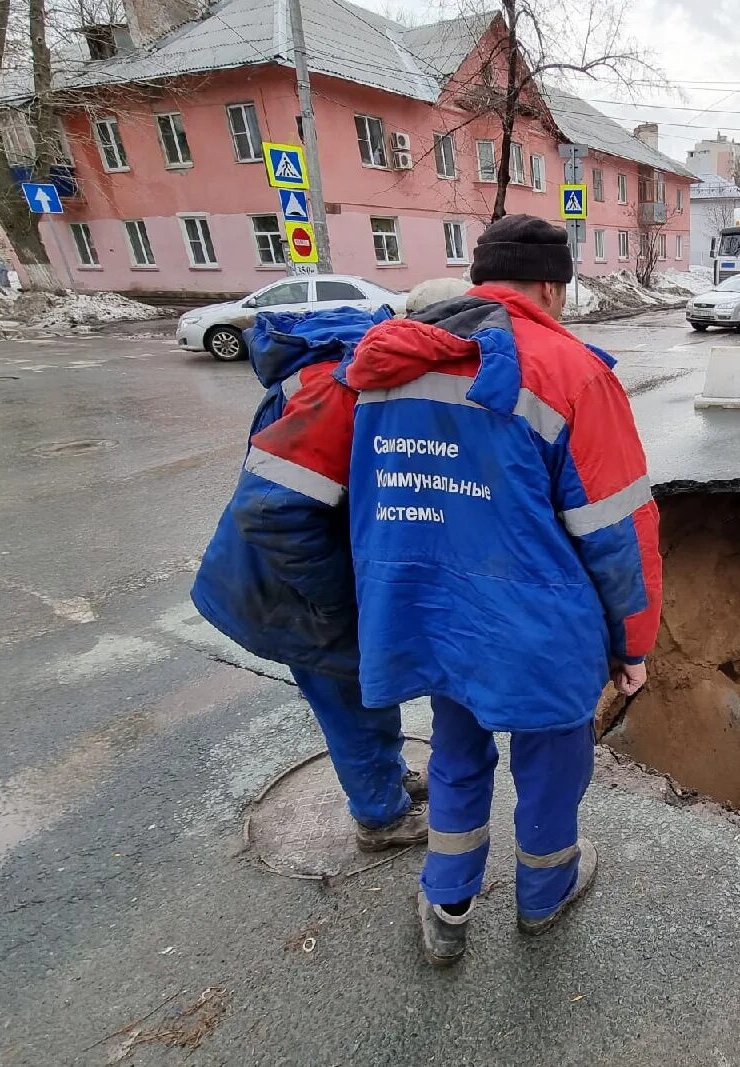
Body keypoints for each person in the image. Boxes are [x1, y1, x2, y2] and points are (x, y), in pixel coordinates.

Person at [240, 214, 662, 966]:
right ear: (550, 288)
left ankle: (448, 904)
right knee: (550, 767)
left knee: (456, 760)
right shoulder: (570, 370)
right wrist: (633, 644)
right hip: (538, 628)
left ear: (481, 281)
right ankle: (544, 892)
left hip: (432, 618)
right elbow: (617, 531)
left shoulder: (386, 367)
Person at [189, 304, 429, 852]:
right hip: (289, 588)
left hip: (287, 575)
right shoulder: (343, 392)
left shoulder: (338, 373)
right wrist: (338, 599)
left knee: (363, 689)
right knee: (348, 696)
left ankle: (385, 780)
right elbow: (270, 510)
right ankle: (381, 817)